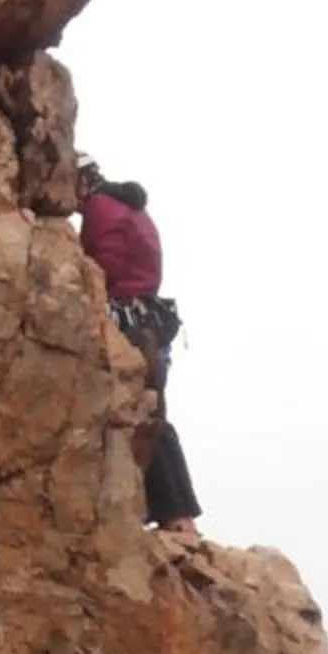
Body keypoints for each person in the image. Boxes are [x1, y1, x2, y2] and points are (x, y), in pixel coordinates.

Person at [75, 159, 201, 531]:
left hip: (127, 321)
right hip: (148, 322)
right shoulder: (130, 207)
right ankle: (175, 514)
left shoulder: (101, 207)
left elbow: (105, 265)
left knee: (141, 419)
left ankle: (176, 515)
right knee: (150, 413)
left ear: (83, 180)